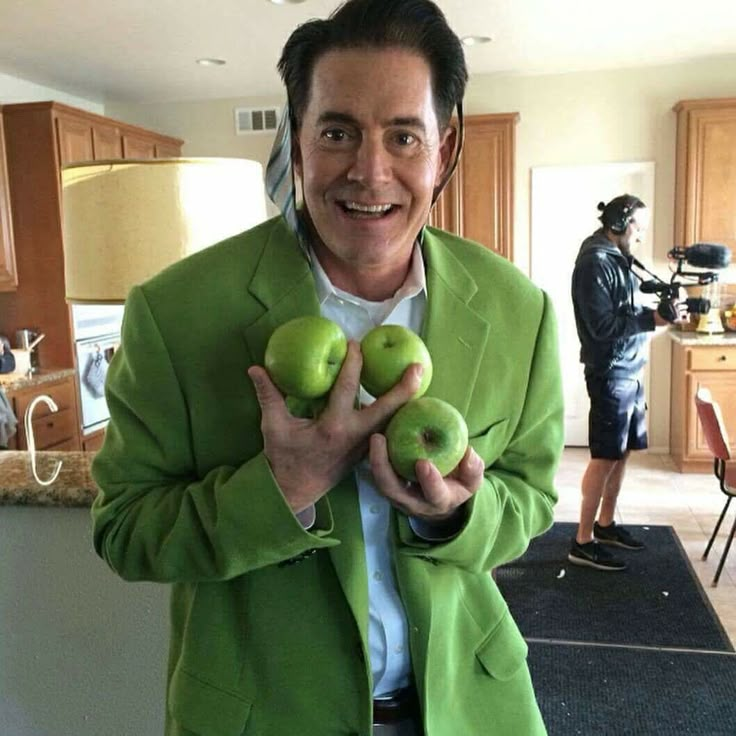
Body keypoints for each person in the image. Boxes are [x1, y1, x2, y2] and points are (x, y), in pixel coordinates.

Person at [91, 1, 564, 734]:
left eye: (404, 136)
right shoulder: (175, 313)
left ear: (445, 147)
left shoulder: (516, 311)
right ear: (298, 144)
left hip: (470, 707)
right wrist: (282, 489)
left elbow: (531, 494)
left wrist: (458, 514)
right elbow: (125, 529)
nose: (369, 173)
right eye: (338, 132)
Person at [569, 194, 686, 572]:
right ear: (619, 223)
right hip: (610, 372)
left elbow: (625, 308)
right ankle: (582, 541)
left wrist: (660, 309)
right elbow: (602, 327)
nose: (641, 235)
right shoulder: (594, 264)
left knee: (621, 452)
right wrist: (652, 320)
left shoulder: (618, 260)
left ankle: (605, 525)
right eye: (639, 227)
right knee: (605, 456)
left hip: (630, 370)